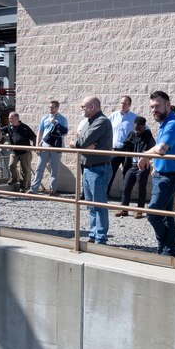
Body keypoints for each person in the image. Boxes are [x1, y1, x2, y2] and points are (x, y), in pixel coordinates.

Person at [138, 91, 175, 256]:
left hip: (169, 176)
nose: (154, 110)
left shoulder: (172, 124)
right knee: (166, 216)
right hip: (162, 174)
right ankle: (166, 251)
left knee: (153, 214)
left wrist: (145, 155)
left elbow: (161, 149)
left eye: (157, 106)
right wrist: (154, 165)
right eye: (152, 107)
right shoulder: (165, 123)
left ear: (168, 104)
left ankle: (166, 250)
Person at [73, 96, 113, 244]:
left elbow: (81, 141)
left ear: (93, 106)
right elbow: (82, 140)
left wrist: (77, 143)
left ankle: (101, 238)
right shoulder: (88, 122)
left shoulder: (102, 121)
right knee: (90, 205)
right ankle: (93, 234)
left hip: (99, 169)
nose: (81, 109)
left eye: (84, 106)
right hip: (88, 168)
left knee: (99, 205)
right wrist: (81, 143)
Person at [115, 116, 155, 217]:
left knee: (141, 188)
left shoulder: (148, 136)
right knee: (126, 186)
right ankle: (124, 209)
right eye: (135, 127)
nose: (137, 130)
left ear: (143, 126)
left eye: (139, 128)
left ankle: (140, 210)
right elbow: (125, 145)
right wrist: (116, 151)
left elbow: (152, 147)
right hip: (131, 165)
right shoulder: (132, 134)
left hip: (142, 166)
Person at [29, 100, 68, 194]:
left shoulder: (62, 119)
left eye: (53, 107)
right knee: (39, 167)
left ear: (57, 108)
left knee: (55, 169)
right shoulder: (44, 118)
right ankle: (34, 189)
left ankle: (52, 190)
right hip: (45, 145)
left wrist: (56, 123)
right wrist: (37, 145)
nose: (50, 109)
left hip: (56, 146)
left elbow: (65, 132)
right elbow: (40, 131)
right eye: (49, 107)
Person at [108, 95, 138, 197]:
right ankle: (103, 201)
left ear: (129, 105)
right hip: (114, 151)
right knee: (109, 176)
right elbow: (106, 130)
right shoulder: (113, 116)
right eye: (121, 103)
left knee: (127, 178)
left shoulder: (134, 118)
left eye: (125, 103)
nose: (122, 105)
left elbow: (144, 130)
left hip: (127, 152)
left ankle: (124, 205)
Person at [0, 111, 36, 193]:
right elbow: (1, 130)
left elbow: (34, 137)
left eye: (11, 118)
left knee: (24, 170)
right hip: (14, 151)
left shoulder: (25, 127)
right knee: (11, 165)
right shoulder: (9, 127)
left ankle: (23, 187)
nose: (9, 120)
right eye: (9, 118)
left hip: (25, 152)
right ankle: (14, 179)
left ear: (16, 118)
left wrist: (34, 147)